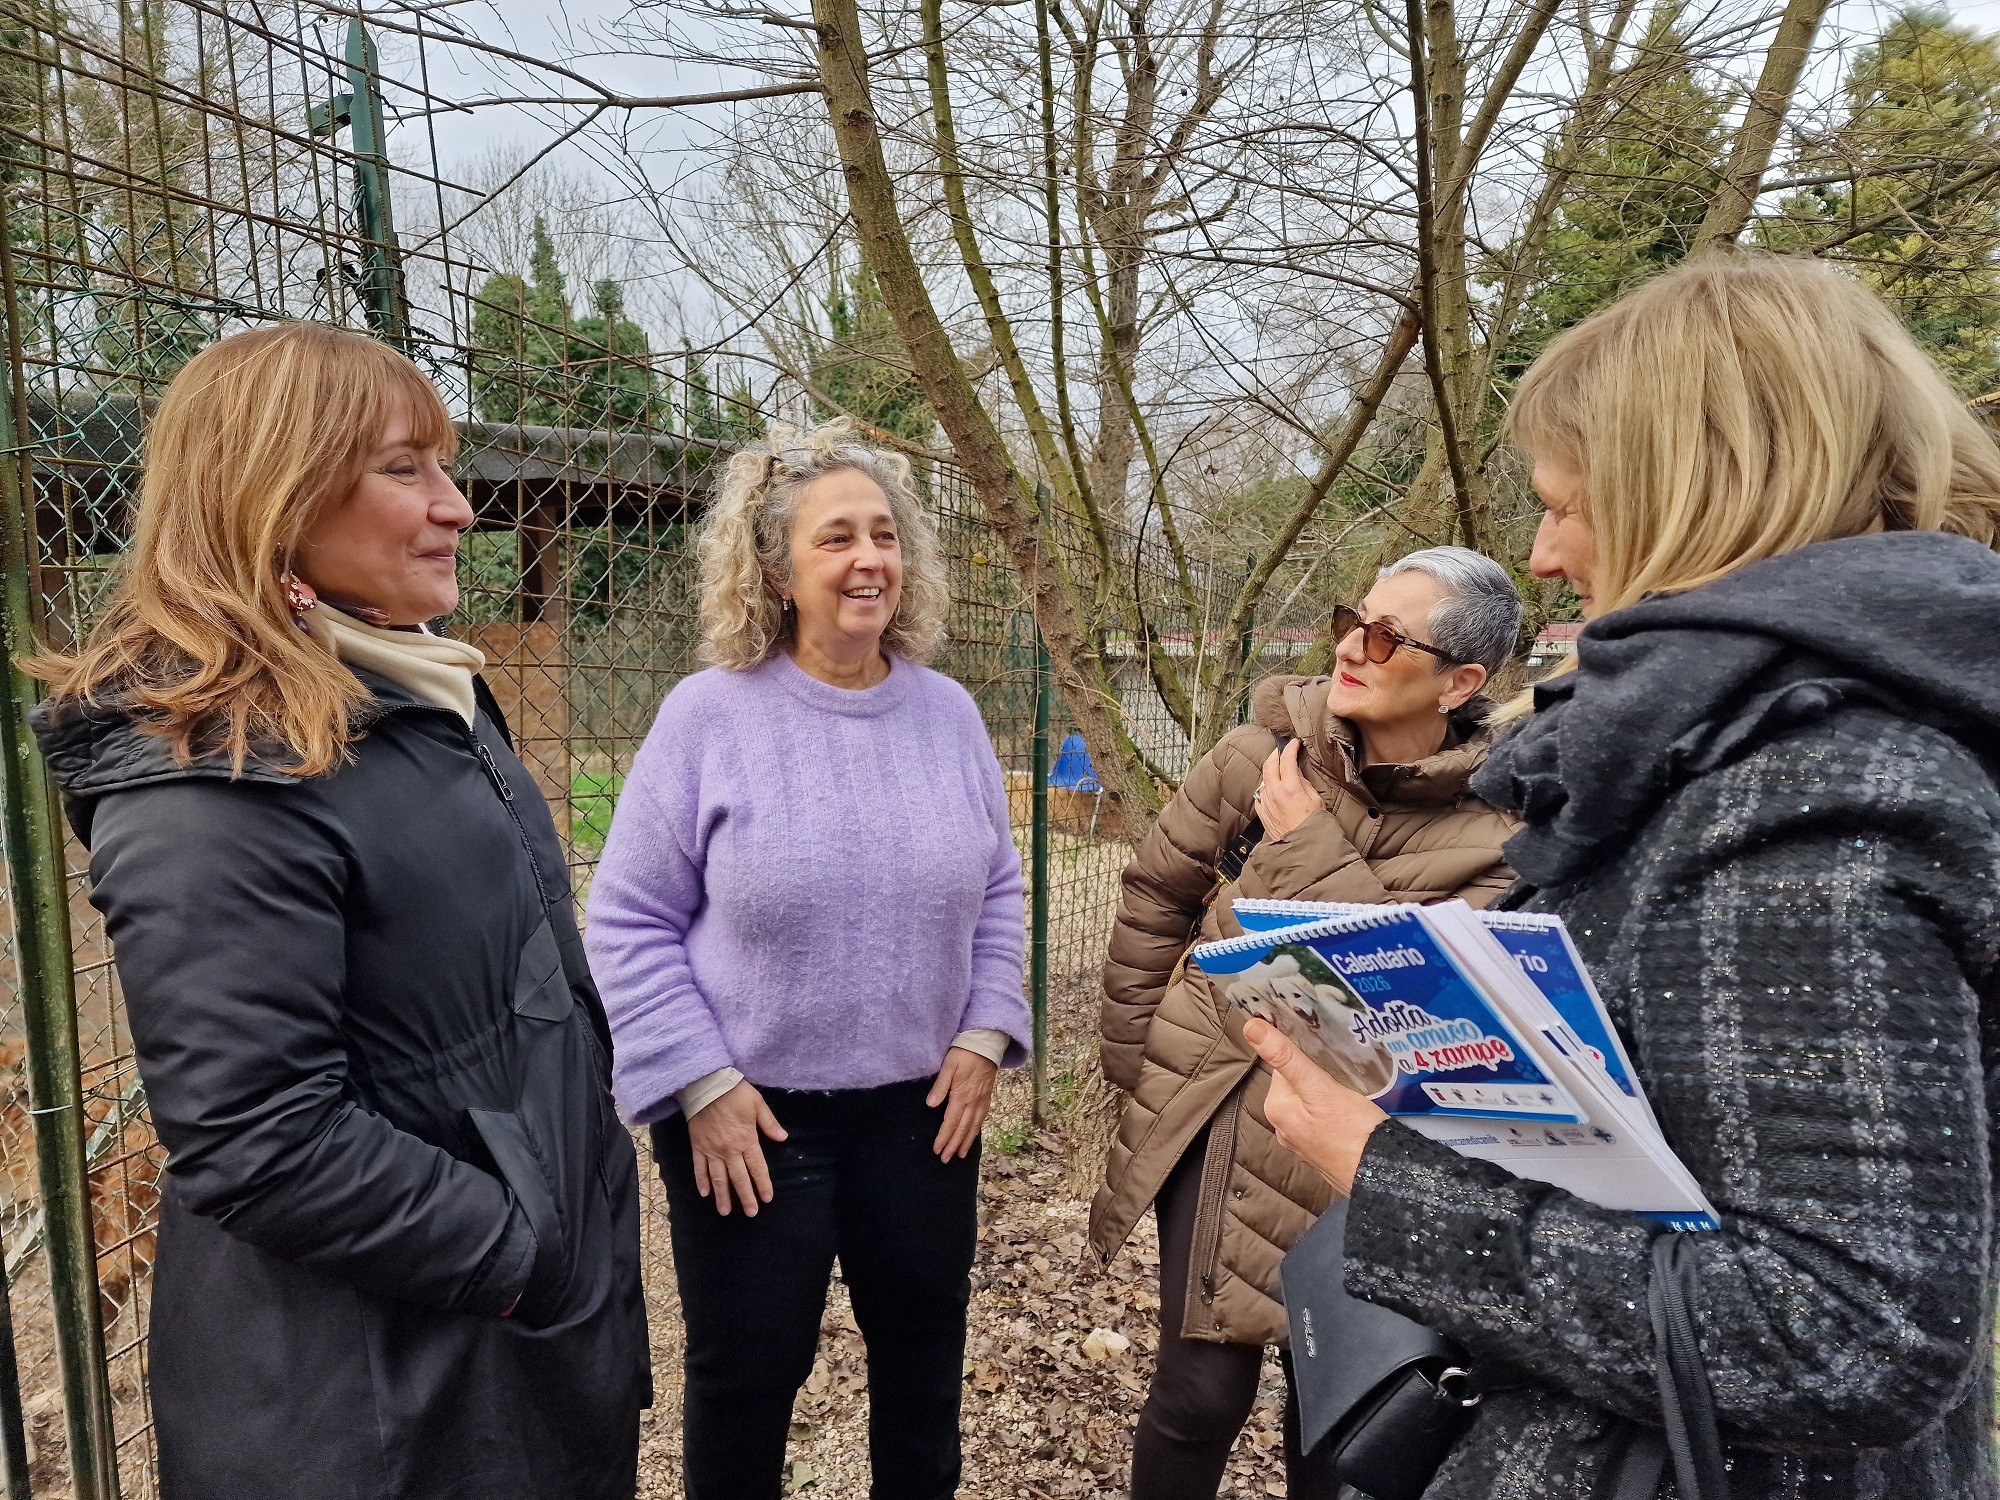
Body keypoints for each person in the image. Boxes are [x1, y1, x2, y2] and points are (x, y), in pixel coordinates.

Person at [1249, 252, 2000, 1499]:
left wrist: (1384, 1175)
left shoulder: (1811, 793)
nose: (1541, 556)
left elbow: (1844, 1335)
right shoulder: (1744, 745)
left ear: (1688, 495)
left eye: (1566, 503)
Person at [24, 323, 649, 1499]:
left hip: (506, 1359)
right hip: (372, 1408)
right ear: (275, 494)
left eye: (443, 465)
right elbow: (260, 1139)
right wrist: (528, 1255)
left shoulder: (409, 693)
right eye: (403, 467)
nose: (459, 507)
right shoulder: (207, 776)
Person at [584, 421, 1030, 1500]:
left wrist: (983, 1036)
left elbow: (1000, 889)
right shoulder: (707, 719)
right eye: (835, 539)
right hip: (750, 1122)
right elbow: (626, 919)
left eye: (883, 535)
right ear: (777, 570)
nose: (868, 558)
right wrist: (699, 1082)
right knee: (746, 1381)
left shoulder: (947, 714)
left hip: (922, 1115)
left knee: (922, 1375)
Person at [1091, 546, 1524, 1500]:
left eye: (1387, 635)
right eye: (1351, 621)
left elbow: (1416, 1004)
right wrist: (1140, 1059)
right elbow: (1157, 893)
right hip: (1224, 1109)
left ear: (1461, 682)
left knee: (1337, 1420)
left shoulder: (1500, 831)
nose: (1352, 649)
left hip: (1376, 1142)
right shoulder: (1260, 755)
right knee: (1197, 1396)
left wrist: (1307, 848)